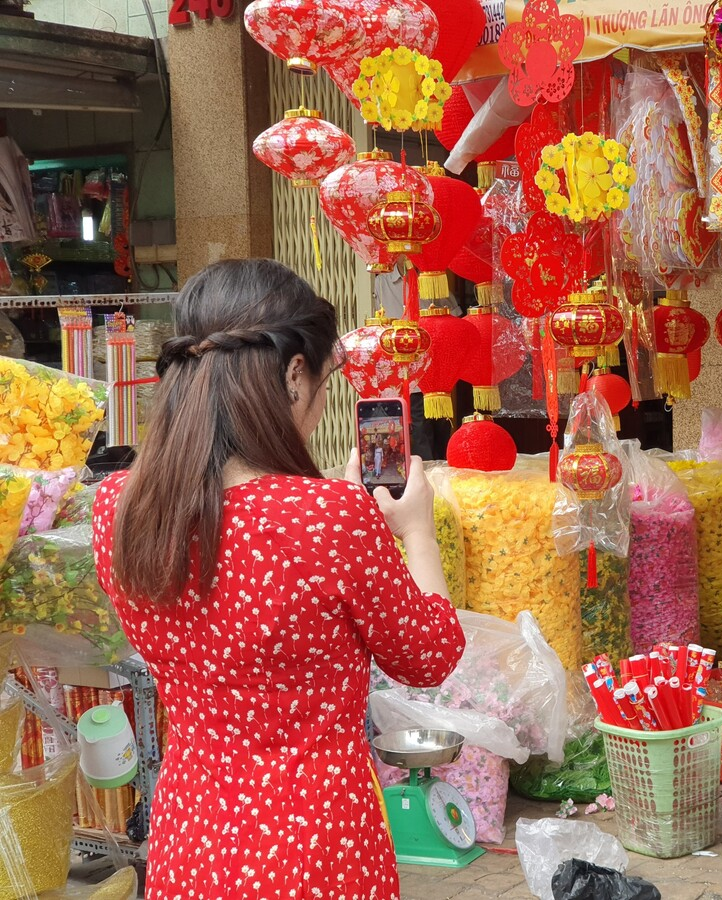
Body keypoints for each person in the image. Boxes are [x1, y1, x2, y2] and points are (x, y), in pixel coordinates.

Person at [92, 258, 466, 899]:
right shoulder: (332, 518)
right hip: (318, 847)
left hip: (190, 840)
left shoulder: (120, 506)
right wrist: (415, 530)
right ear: (295, 376)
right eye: (324, 388)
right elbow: (430, 654)